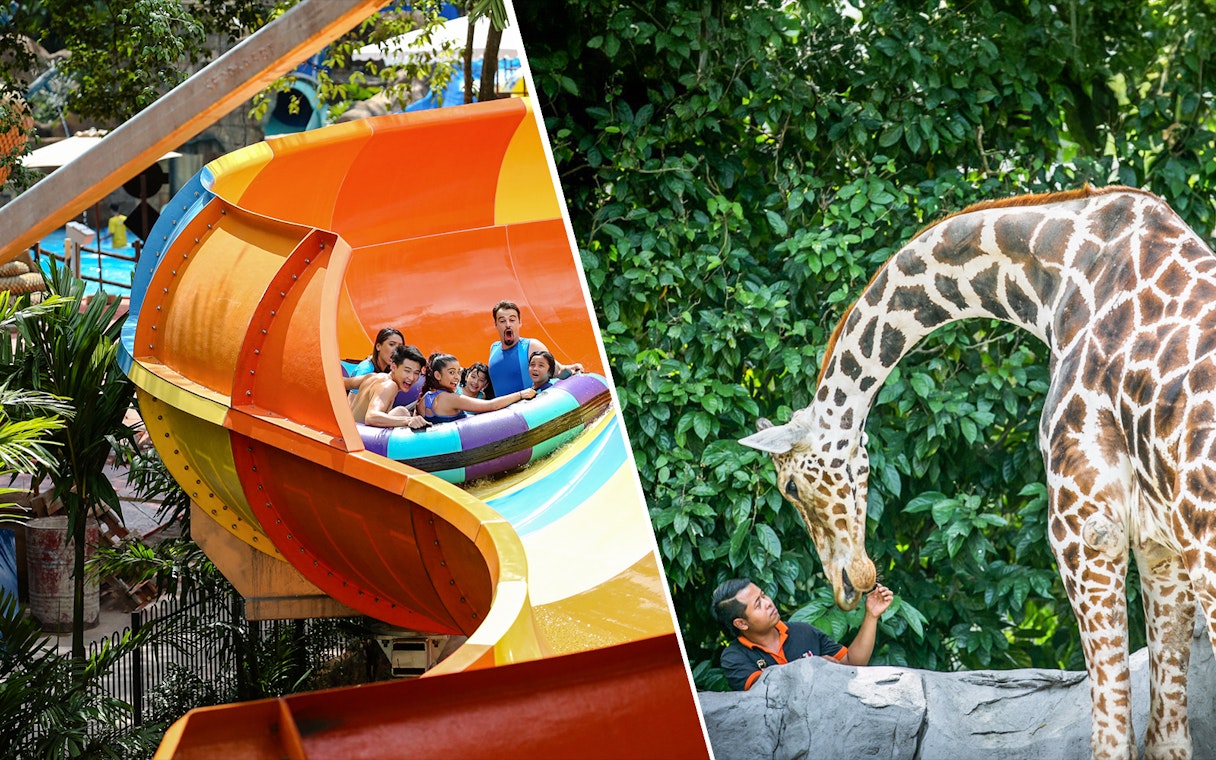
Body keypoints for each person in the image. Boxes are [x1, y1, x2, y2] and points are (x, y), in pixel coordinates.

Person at [712, 577, 894, 691]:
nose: (768, 603)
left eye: (764, 595)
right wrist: (814, 665)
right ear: (741, 623)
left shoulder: (803, 631)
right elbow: (765, 690)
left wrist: (871, 615)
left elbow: (853, 663)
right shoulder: (734, 657)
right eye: (758, 605)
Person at [487, 300, 584, 395]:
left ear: (519, 322)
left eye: (512, 320)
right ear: (496, 324)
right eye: (502, 321)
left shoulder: (531, 346)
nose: (508, 325)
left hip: (527, 403)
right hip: (502, 406)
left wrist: (571, 369)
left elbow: (556, 371)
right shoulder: (494, 348)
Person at [419, 353, 539, 424]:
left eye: (458, 372)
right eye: (451, 372)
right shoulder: (451, 398)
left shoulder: (424, 399)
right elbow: (491, 406)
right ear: (437, 375)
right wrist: (520, 394)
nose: (457, 377)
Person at [349, 344, 430, 429]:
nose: (411, 377)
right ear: (393, 367)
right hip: (359, 435)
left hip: (350, 429)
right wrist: (408, 420)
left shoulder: (374, 377)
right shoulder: (390, 385)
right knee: (401, 412)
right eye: (407, 371)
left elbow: (345, 383)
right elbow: (371, 417)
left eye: (416, 373)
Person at [344, 328, 404, 392]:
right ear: (378, 346)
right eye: (391, 344)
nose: (396, 351)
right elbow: (352, 398)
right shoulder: (366, 370)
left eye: (400, 347)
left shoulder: (390, 369)